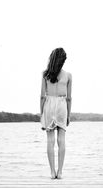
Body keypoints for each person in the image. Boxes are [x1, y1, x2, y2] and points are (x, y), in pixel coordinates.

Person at [40, 47, 72, 179]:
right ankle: (60, 172)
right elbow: (69, 98)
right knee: (61, 140)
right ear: (63, 60)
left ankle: (52, 172)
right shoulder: (68, 76)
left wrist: (41, 113)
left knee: (50, 140)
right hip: (62, 105)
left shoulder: (45, 74)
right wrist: (69, 115)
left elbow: (42, 96)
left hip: (49, 105)